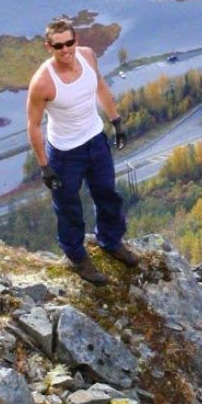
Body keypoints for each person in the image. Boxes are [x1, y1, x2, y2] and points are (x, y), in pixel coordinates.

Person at [26, 17, 141, 284]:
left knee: (107, 194)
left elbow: (99, 86)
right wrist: (44, 165)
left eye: (69, 43)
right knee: (69, 208)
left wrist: (116, 121)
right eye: (58, 46)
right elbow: (33, 125)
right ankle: (77, 258)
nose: (65, 50)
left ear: (76, 40)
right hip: (65, 153)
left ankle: (111, 241)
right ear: (48, 47)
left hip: (96, 140)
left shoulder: (88, 56)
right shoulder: (43, 82)